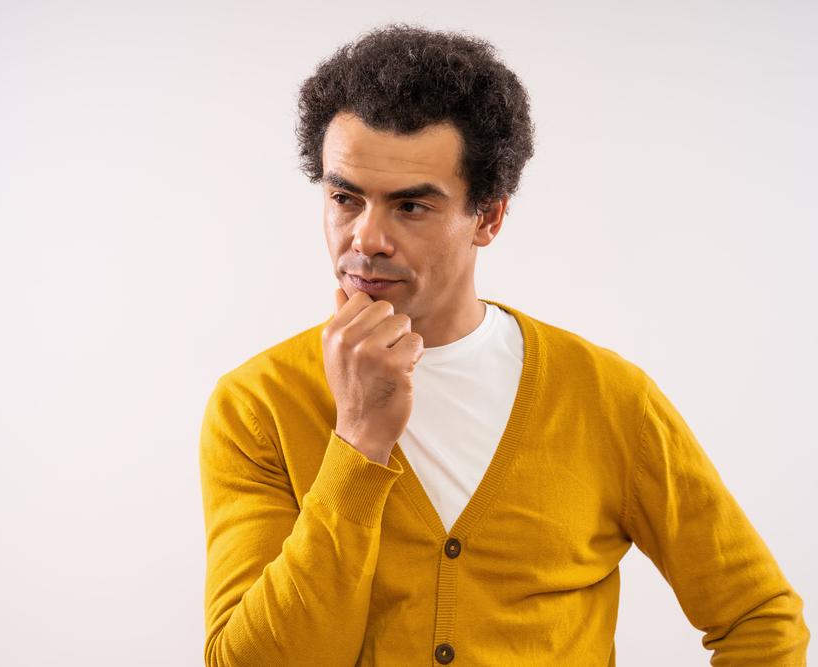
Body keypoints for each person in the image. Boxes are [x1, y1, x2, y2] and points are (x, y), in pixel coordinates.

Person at [198, 22, 809, 666]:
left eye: (411, 207)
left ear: (487, 216)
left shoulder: (606, 397)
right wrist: (357, 441)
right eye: (345, 197)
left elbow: (758, 617)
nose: (366, 238)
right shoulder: (258, 405)